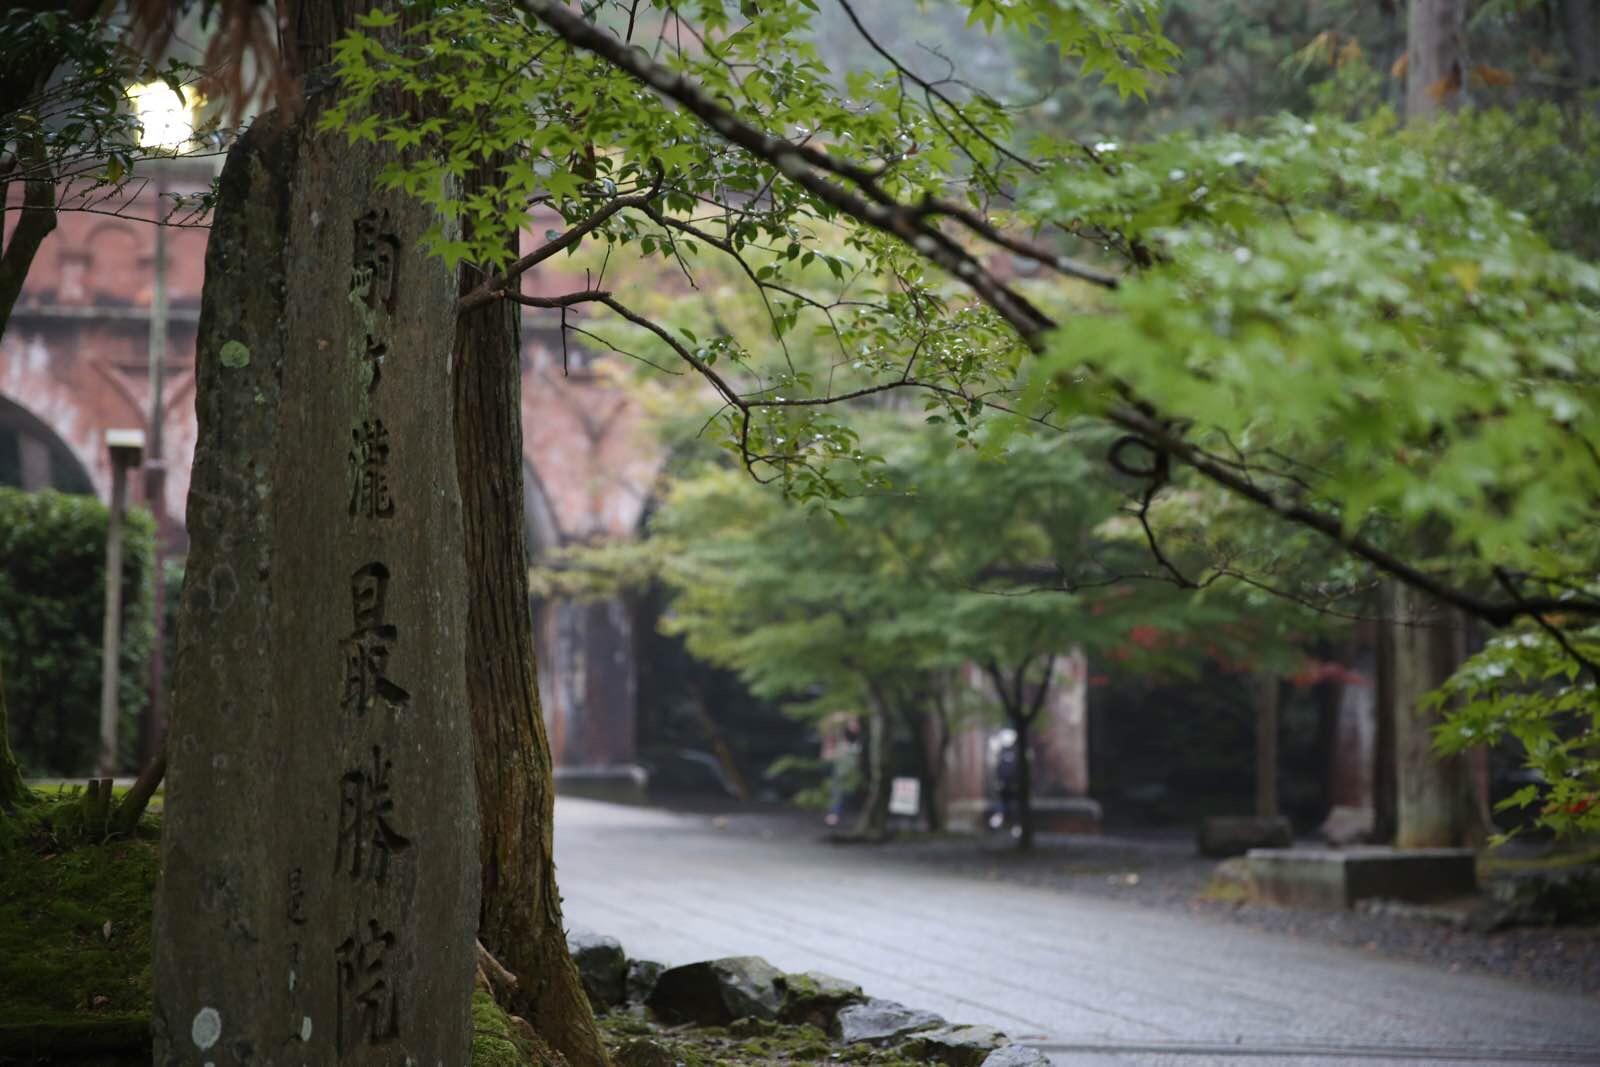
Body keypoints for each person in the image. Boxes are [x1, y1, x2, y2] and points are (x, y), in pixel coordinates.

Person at [823, 716, 861, 826]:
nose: (855, 726)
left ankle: (839, 815)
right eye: (852, 724)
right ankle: (834, 814)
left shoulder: (860, 738)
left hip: (853, 772)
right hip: (840, 771)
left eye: (856, 723)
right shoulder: (841, 737)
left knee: (849, 794)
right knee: (838, 793)